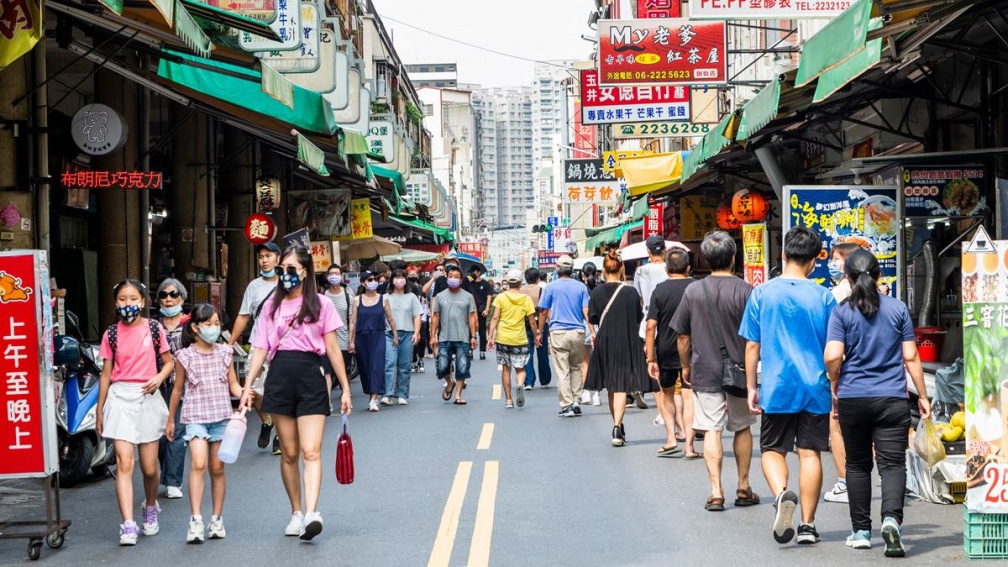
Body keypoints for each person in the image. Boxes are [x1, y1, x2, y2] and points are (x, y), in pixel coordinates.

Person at [239, 245, 352, 542]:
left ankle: (313, 513)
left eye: (291, 269)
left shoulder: (322, 304)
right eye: (281, 270)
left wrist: (346, 389)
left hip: (312, 375)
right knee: (288, 452)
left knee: (310, 450)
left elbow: (331, 348)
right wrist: (248, 384)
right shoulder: (270, 306)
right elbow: (261, 348)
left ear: (305, 271)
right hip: (280, 376)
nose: (285, 275)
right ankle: (296, 512)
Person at [824, 249, 931, 556]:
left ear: (848, 277)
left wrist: (835, 380)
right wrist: (922, 396)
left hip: (853, 398)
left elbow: (832, 355)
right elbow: (910, 356)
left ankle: (859, 532)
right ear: (879, 276)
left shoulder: (842, 312)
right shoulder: (897, 309)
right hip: (892, 399)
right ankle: (891, 520)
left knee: (857, 466)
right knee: (892, 464)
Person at [740, 226, 837, 546]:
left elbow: (752, 346)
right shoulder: (824, 297)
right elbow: (833, 350)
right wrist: (835, 385)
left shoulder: (763, 293)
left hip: (777, 384)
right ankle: (808, 526)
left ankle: (782, 494)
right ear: (813, 261)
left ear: (782, 255)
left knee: (771, 450)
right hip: (815, 385)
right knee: (810, 454)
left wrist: (751, 386)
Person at [671, 232, 759, 514]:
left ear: (705, 259)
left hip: (705, 369)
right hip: (741, 372)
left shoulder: (693, 291)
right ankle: (743, 487)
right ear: (734, 258)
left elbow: (682, 336)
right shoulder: (746, 291)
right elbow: (756, 338)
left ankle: (716, 491)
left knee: (711, 429)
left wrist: (685, 365)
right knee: (742, 427)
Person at [95, 279, 174, 546]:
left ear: (143, 301)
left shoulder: (154, 329)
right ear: (115, 303)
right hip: (119, 398)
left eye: (133, 299)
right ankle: (128, 524)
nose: (128, 304)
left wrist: (159, 378)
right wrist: (100, 409)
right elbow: (105, 374)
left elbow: (169, 362)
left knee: (150, 468)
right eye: (122, 299)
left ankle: (150, 506)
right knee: (124, 463)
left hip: (148, 397)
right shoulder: (111, 334)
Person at [165, 303, 243, 543]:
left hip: (221, 417)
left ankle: (216, 519)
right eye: (208, 324)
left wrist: (246, 393)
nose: (213, 328)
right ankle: (196, 520)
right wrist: (170, 420)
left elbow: (233, 385)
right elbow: (177, 390)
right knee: (198, 463)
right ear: (196, 328)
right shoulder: (184, 356)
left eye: (217, 324)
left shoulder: (225, 353)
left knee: (218, 468)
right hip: (195, 417)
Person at [585, 251, 650, 446]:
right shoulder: (630, 292)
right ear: (621, 269)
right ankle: (617, 427)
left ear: (603, 271)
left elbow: (593, 318)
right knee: (621, 384)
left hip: (605, 341)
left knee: (612, 387)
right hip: (626, 341)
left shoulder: (596, 292)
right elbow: (639, 317)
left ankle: (617, 425)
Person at [227, 241, 282, 454]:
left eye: (269, 255)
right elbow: (244, 316)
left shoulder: (287, 283)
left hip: (282, 348)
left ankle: (279, 436)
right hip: (259, 345)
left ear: (278, 258)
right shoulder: (254, 286)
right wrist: (229, 343)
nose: (265, 260)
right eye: (261, 257)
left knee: (278, 392)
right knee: (253, 393)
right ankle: (267, 421)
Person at [646, 248, 699, 458]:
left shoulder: (659, 290)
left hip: (665, 350)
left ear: (666, 269)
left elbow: (651, 326)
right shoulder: (696, 287)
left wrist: (650, 357)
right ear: (688, 267)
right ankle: (689, 445)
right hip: (693, 349)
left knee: (667, 394)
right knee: (689, 397)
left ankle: (671, 438)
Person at [823, 241, 861, 504]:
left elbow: (833, 346)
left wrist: (832, 374)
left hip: (843, 366)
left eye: (836, 258)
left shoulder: (837, 296)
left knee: (836, 424)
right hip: (876, 373)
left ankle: (844, 482)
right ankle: (881, 476)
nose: (832, 263)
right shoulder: (883, 296)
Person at [537, 255, 591, 417]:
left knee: (563, 371)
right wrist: (592, 331)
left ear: (557, 269)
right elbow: (586, 311)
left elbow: (543, 311)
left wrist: (539, 332)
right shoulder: (581, 287)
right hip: (578, 332)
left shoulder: (551, 287)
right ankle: (576, 400)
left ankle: (567, 405)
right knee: (576, 367)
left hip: (558, 332)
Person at [155, 278, 189, 500]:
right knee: (158, 433)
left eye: (173, 294)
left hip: (182, 385)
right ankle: (166, 475)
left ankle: (172, 481)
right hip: (155, 384)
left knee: (176, 432)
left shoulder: (191, 324)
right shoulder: (151, 325)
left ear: (182, 298)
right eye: (163, 295)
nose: (168, 299)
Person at [633, 235, 675, 413]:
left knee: (653, 362)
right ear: (664, 250)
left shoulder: (641, 271)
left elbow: (639, 298)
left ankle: (662, 410)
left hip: (649, 321)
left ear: (648, 252)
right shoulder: (670, 268)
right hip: (672, 320)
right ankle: (670, 406)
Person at [487, 269, 538, 409]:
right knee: (520, 369)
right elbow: (532, 321)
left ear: (508, 282)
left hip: (503, 338)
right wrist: (536, 336)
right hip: (520, 339)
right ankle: (520, 385)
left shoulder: (501, 298)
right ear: (521, 282)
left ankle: (508, 400)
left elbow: (495, 317)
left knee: (506, 369)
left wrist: (490, 336)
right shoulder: (526, 299)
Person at [348, 270, 397, 412]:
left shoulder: (383, 299)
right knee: (365, 367)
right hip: (362, 337)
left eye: (375, 279)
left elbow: (391, 318)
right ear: (363, 283)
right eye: (370, 280)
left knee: (376, 365)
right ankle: (371, 395)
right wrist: (351, 340)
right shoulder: (357, 300)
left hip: (378, 335)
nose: (373, 282)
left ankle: (374, 399)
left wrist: (395, 335)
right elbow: (353, 321)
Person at [429, 264, 478, 405]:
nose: (453, 279)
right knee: (442, 366)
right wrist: (433, 336)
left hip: (463, 338)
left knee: (462, 367)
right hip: (444, 337)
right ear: (446, 277)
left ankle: (458, 395)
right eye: (451, 276)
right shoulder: (440, 296)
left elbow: (472, 317)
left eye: (456, 277)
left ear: (461, 280)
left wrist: (473, 336)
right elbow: (435, 317)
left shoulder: (468, 296)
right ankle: (450, 382)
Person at [382, 269, 422, 406]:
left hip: (407, 333)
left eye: (402, 277)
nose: (399, 280)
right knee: (389, 363)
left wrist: (416, 333)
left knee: (404, 365)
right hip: (389, 334)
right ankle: (387, 393)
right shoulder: (385, 297)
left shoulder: (412, 297)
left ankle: (402, 394)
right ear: (391, 280)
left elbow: (417, 316)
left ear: (406, 280)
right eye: (396, 278)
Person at [322, 264, 354, 401]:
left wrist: (351, 340)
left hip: (342, 340)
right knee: (326, 372)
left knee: (344, 370)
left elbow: (352, 321)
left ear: (341, 276)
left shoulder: (348, 296)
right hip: (324, 342)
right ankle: (327, 401)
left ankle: (346, 393)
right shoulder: (322, 295)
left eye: (336, 273)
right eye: (331, 273)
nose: (334, 276)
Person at [521, 268, 551, 389]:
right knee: (542, 353)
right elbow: (545, 310)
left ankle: (528, 381)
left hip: (525, 325)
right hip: (540, 325)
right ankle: (544, 380)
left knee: (528, 353)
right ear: (538, 277)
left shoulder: (520, 291)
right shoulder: (542, 290)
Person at [579, 262, 601, 406]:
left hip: (585, 326)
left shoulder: (581, 289)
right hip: (601, 326)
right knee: (598, 362)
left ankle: (586, 392)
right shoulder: (601, 289)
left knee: (585, 362)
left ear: (582, 275)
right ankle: (597, 395)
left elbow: (583, 310)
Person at [469, 265, 494, 360]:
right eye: (471, 272)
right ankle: (470, 350)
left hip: (481, 309)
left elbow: (489, 297)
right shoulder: (470, 284)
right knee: (470, 330)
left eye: (473, 272)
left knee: (482, 331)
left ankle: (482, 351)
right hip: (471, 310)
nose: (472, 273)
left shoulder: (486, 284)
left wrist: (487, 309)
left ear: (479, 272)